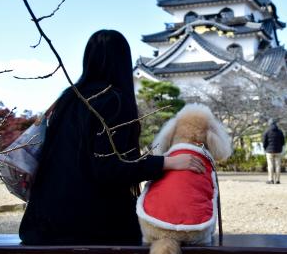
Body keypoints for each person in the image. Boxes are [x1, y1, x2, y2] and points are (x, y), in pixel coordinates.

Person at [19, 30, 205, 245]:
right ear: (124, 62)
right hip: (87, 226)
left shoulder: (69, 98)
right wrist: (167, 162)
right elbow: (108, 168)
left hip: (41, 224)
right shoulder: (113, 100)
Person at [262, 119, 285, 184]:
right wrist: (280, 146)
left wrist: (265, 148)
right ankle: (277, 180)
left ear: (269, 124)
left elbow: (264, 142)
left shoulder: (267, 131)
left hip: (269, 151)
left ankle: (271, 179)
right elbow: (283, 142)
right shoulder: (280, 131)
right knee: (278, 165)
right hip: (278, 151)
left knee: (270, 165)